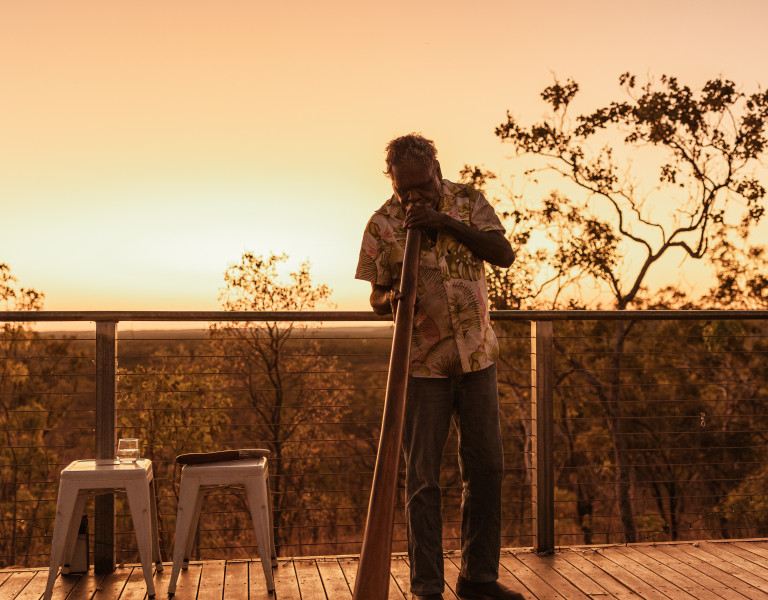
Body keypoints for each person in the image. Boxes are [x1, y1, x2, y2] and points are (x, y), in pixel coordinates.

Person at [355, 133, 524, 600]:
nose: (413, 195)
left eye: (421, 185)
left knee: (487, 468)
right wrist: (394, 298)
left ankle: (478, 579)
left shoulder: (468, 201)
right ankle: (426, 588)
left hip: (476, 358)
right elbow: (375, 298)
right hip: (420, 365)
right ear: (392, 180)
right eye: (403, 187)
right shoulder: (381, 224)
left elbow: (503, 254)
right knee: (423, 480)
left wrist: (443, 222)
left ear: (436, 169)